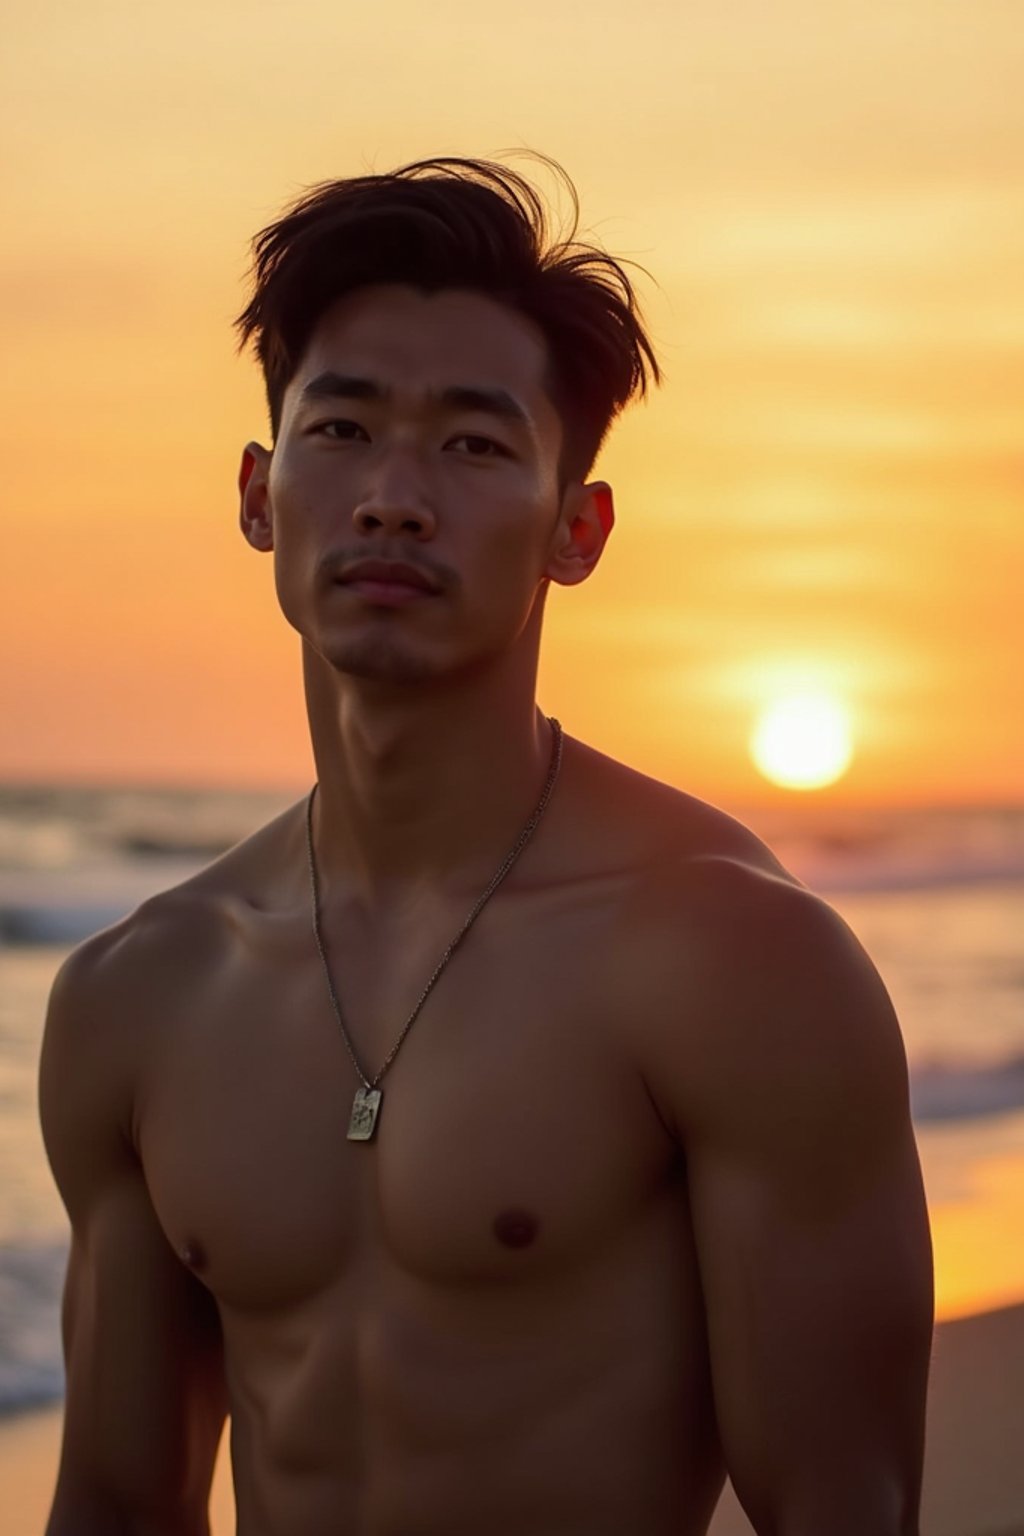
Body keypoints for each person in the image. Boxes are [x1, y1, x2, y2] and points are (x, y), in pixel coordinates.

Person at [40, 156, 933, 1536]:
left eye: (472, 445)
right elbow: (112, 1501)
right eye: (341, 432)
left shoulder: (733, 961)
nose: (395, 495)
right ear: (258, 495)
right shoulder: (135, 997)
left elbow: (843, 1507)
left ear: (576, 530)